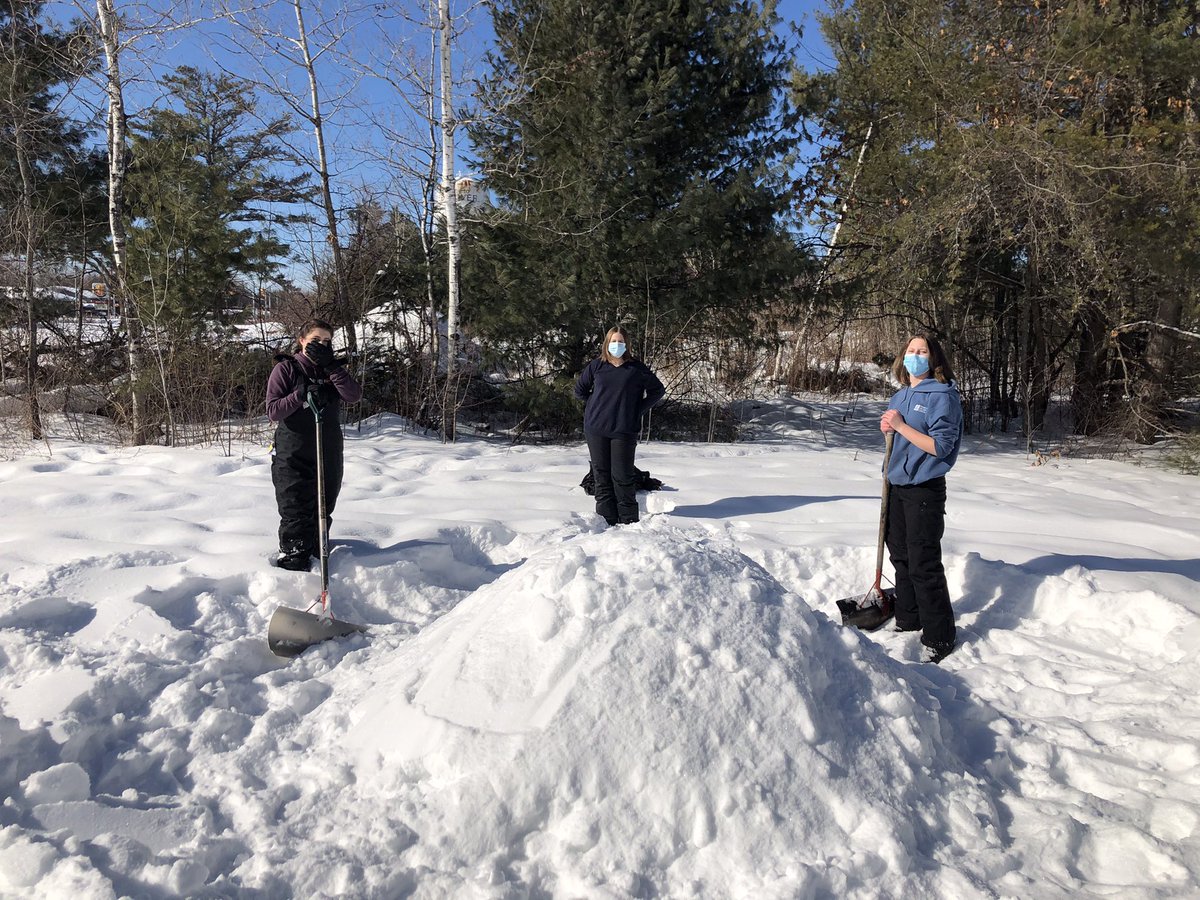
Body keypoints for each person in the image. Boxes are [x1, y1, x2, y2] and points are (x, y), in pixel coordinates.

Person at [879, 334, 963, 664]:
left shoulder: (942, 396)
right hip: (896, 485)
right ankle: (908, 618)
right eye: (911, 351)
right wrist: (889, 428)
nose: (915, 356)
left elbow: (940, 447)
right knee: (899, 554)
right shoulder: (900, 396)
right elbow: (898, 435)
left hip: (924, 489)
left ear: (934, 359)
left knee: (923, 561)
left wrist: (899, 427)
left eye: (922, 351)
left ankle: (939, 635)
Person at [266, 319, 363, 571]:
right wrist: (300, 394)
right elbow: (273, 411)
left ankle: (320, 566)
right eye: (315, 340)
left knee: (322, 509)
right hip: (293, 453)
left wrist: (331, 366)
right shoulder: (287, 369)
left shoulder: (332, 370)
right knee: (296, 511)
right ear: (301, 341)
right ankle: (294, 564)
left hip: (328, 450)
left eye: (327, 342)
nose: (321, 345)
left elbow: (353, 395)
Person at [574, 327, 666, 526]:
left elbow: (658, 391)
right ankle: (606, 521)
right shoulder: (596, 366)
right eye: (613, 341)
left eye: (620, 341)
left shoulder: (637, 369)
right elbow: (580, 390)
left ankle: (629, 522)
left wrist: (637, 409)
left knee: (623, 476)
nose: (616, 345)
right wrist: (594, 406)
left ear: (627, 344)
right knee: (601, 476)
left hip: (624, 430)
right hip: (596, 429)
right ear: (607, 343)